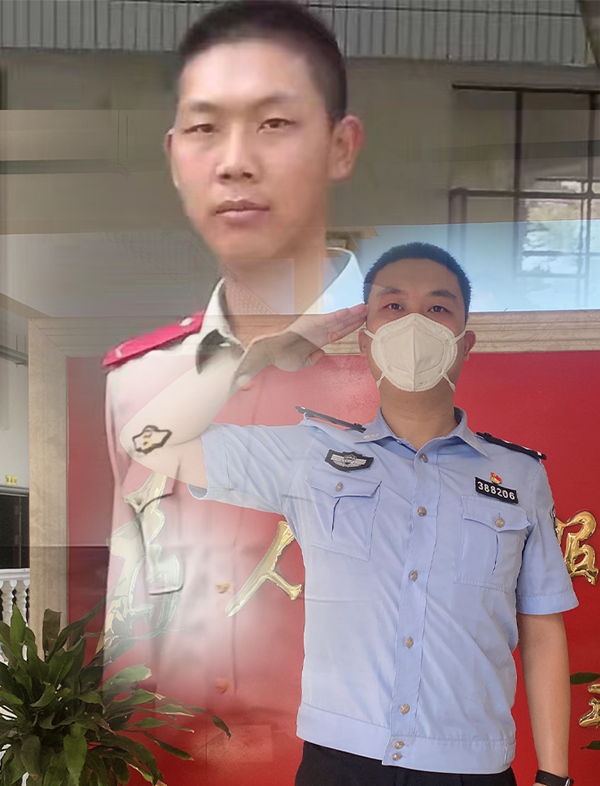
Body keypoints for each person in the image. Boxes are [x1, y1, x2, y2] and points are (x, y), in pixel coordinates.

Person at [121, 242, 577, 786]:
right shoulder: (309, 456)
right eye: (392, 306)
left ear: (465, 341)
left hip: (470, 766)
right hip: (340, 763)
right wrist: (255, 357)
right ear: (366, 340)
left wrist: (554, 777)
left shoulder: (519, 475)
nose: (414, 323)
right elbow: (148, 440)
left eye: (437, 307)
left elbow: (541, 625)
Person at [102, 1, 364, 782]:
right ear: (175, 156)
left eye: (275, 124)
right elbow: (128, 610)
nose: (234, 162)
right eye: (205, 128)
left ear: (341, 146)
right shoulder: (139, 383)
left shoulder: (417, 372)